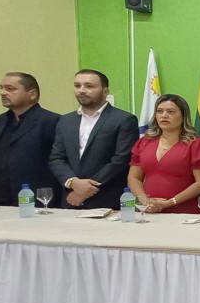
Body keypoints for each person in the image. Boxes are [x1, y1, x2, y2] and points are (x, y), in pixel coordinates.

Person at [49, 69, 139, 210]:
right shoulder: (65, 120)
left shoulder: (124, 120)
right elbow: (57, 158)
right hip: (70, 198)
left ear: (105, 91)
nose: (82, 90)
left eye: (89, 86)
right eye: (77, 85)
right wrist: (73, 183)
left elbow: (121, 159)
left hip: (106, 198)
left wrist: (85, 190)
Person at [0, 72, 61, 206]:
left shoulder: (51, 121)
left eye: (10, 89)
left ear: (32, 94)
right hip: (1, 198)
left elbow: (58, 160)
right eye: (1, 88)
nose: (2, 93)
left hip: (37, 198)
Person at [127, 94, 200, 214]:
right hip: (149, 211)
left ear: (183, 116)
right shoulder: (144, 142)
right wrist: (145, 201)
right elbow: (134, 177)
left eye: (171, 112)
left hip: (185, 212)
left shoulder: (195, 144)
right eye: (159, 111)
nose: (164, 115)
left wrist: (170, 202)